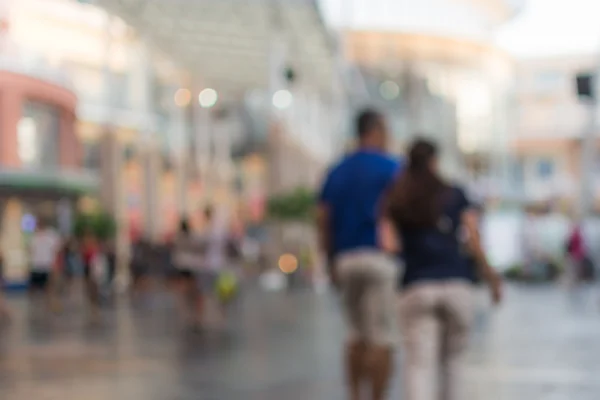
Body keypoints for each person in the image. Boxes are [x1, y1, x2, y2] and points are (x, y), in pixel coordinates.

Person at [380, 138, 502, 400]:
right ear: (435, 162)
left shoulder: (397, 196)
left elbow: (388, 244)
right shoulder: (454, 192)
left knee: (419, 365)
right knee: (454, 363)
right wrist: (491, 277)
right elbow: (473, 237)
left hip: (416, 285)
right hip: (456, 284)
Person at [317, 109, 402, 400]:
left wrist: (328, 257)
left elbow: (323, 217)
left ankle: (354, 394)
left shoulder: (338, 169)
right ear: (376, 130)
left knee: (355, 333)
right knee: (382, 337)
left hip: (345, 257)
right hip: (380, 257)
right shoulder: (392, 167)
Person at [28, 218, 62, 313]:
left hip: (47, 265)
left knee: (50, 288)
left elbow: (56, 250)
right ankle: (38, 307)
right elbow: (31, 250)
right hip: (37, 266)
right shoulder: (34, 237)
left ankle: (51, 306)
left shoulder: (51, 235)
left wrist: (55, 264)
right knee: (34, 288)